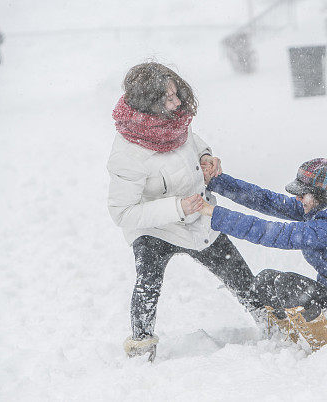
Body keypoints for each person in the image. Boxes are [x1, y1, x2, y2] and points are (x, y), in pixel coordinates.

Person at [107, 62, 258, 361]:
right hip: (155, 227)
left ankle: (272, 322)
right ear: (148, 104)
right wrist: (175, 207)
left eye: (176, 94)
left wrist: (205, 156)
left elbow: (192, 140)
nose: (176, 103)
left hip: (198, 217)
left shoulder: (172, 121)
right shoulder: (126, 155)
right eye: (168, 98)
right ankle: (141, 348)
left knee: (239, 275)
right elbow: (122, 213)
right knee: (148, 283)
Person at [196, 158, 327, 350]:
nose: (298, 199)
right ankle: (285, 338)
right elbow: (268, 201)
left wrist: (214, 213)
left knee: (289, 286)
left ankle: (323, 348)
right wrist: (216, 181)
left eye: (303, 194)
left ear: (322, 195)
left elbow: (274, 233)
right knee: (265, 280)